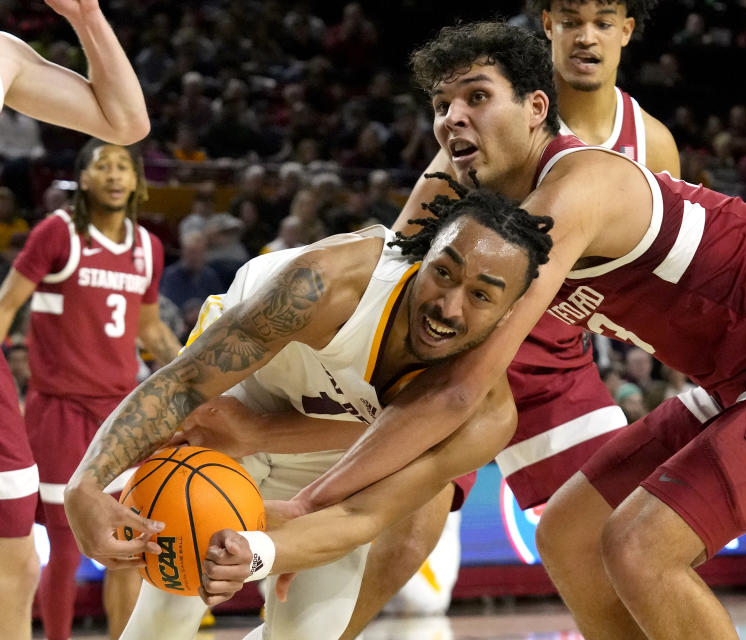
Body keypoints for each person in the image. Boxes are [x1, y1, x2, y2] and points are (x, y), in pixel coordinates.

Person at [210, 22, 746, 639]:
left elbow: (459, 391)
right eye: (441, 106)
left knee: (641, 547)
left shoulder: (573, 191)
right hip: (743, 378)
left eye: (477, 98)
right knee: (569, 534)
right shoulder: (484, 200)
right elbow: (392, 308)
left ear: (537, 107)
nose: (454, 118)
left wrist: (305, 502)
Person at [64, 181, 553, 640]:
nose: (449, 306)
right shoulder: (326, 285)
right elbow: (187, 384)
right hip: (238, 401)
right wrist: (84, 483)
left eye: (481, 295)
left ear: (510, 313)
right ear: (422, 257)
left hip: (326, 453)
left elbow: (361, 513)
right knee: (170, 605)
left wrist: (255, 553)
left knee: (311, 630)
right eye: (443, 273)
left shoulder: (483, 416)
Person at [334, 2, 680, 635]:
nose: (586, 36)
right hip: (464, 346)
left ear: (627, 32)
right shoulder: (494, 113)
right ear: (546, 25)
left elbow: (656, 274)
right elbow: (409, 247)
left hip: (557, 356)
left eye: (604, 21)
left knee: (622, 532)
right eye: (572, 19)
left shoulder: (650, 141)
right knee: (408, 537)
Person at [0, 1, 151, 637]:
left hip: (112, 400)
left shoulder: (3, 52)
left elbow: (126, 121)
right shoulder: (58, 231)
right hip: (62, 401)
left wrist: (86, 15)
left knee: (15, 558)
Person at [0, 139, 180, 640]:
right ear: (83, 179)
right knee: (64, 545)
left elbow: (150, 330)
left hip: (121, 415)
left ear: (138, 181)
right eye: (104, 166)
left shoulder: (148, 248)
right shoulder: (57, 233)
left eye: (124, 166)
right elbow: (6, 303)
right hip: (58, 409)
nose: (115, 175)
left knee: (126, 545)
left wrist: (196, 373)